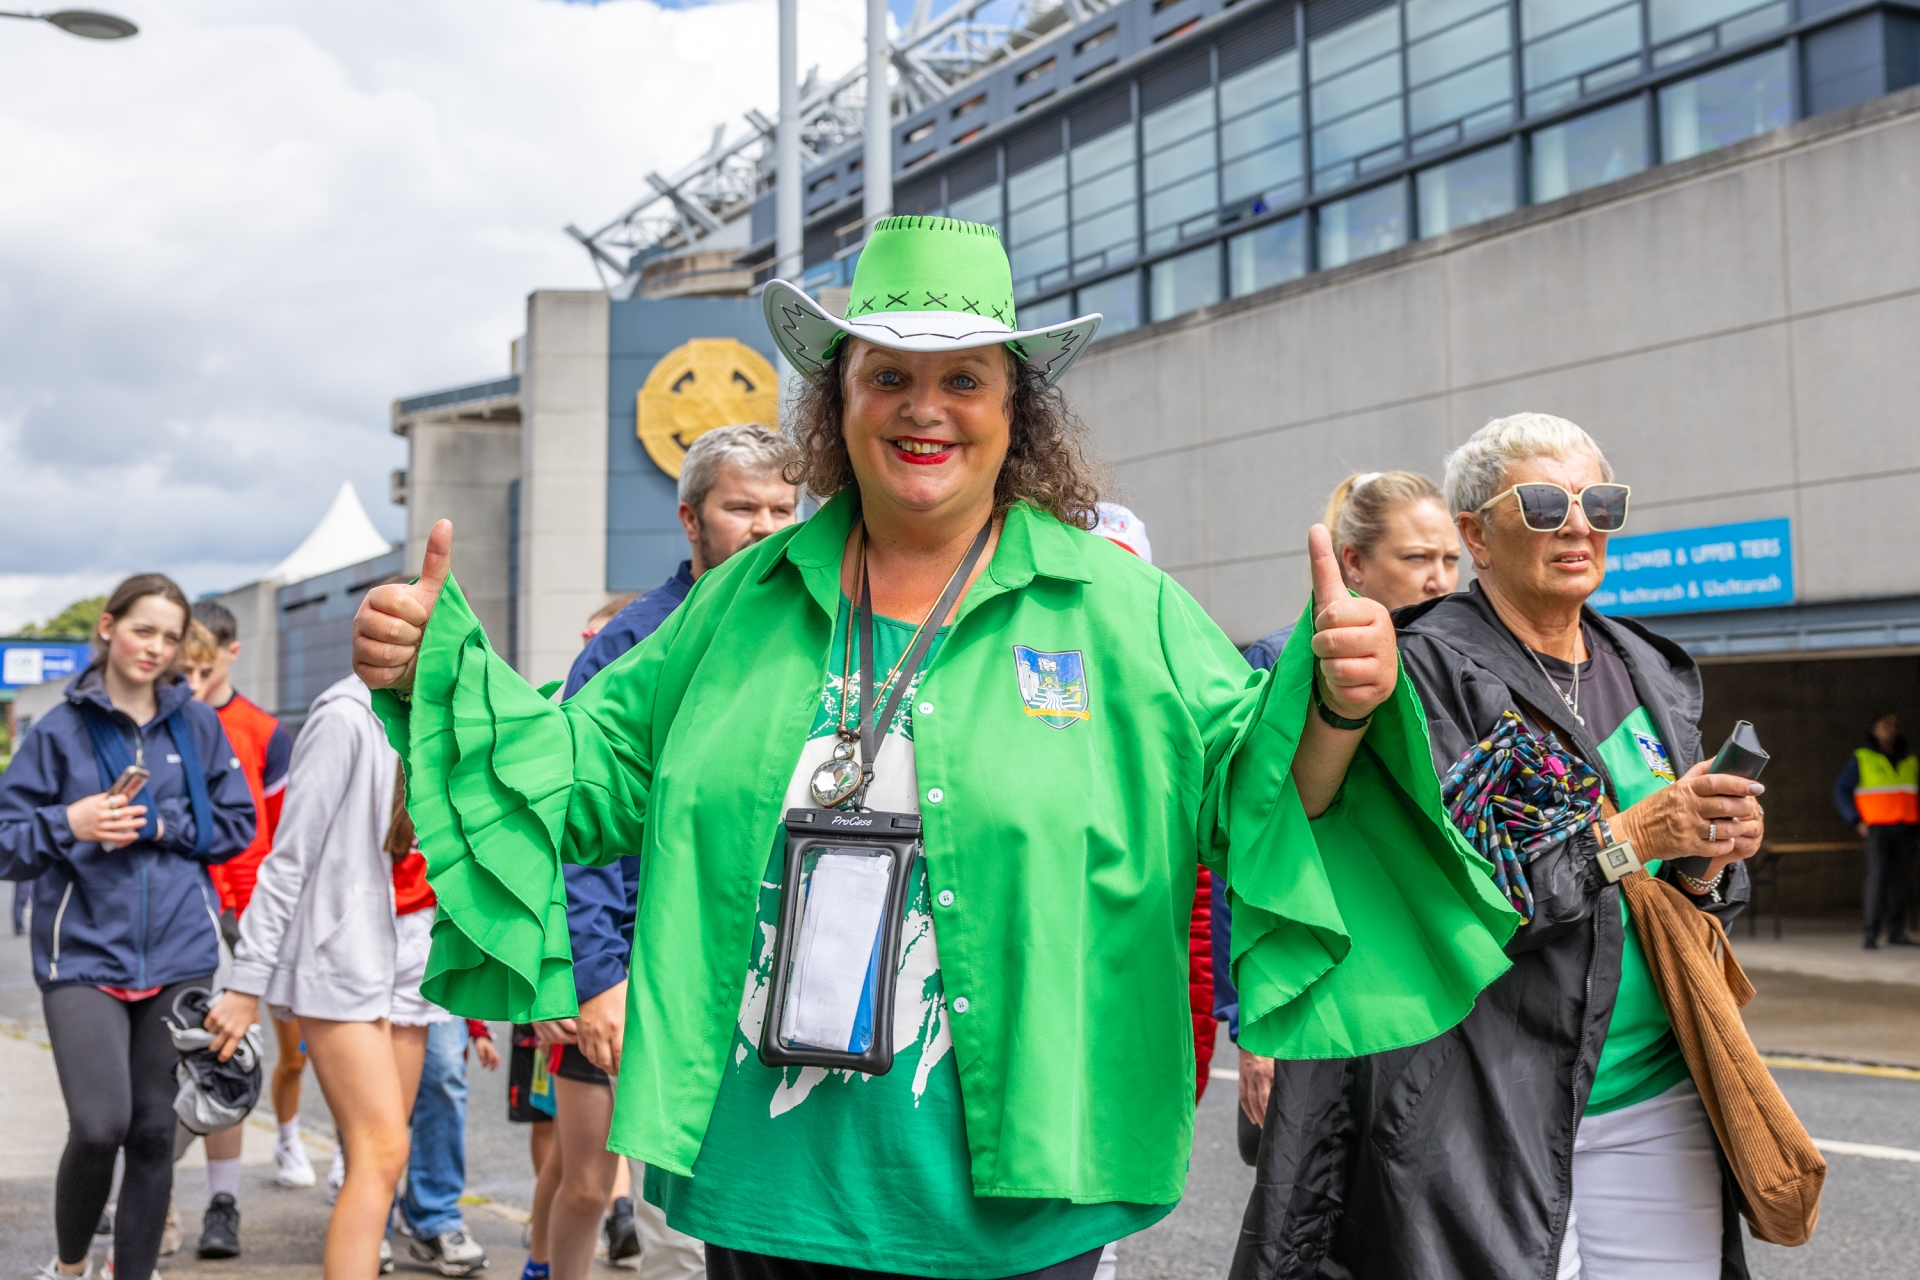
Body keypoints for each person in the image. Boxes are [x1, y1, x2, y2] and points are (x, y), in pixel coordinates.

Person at [351, 216, 1519, 1280]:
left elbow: (1248, 798)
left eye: (964, 377)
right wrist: (443, 673)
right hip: (769, 1184)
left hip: (1023, 1184)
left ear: (1017, 408)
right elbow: (585, 779)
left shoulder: (1120, 607)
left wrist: (1335, 706)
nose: (926, 407)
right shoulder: (737, 603)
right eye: (888, 375)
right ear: (838, 401)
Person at [1233, 413, 1768, 1280]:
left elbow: (1675, 893)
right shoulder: (1428, 673)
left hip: (1653, 1091)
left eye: (1599, 500)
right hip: (1477, 1106)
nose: (1579, 522)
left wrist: (1708, 856)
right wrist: (1637, 831)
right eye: (1547, 501)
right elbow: (1469, 897)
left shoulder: (1643, 666)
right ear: (1476, 533)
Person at [537, 423, 799, 1280]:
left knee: (760, 1213)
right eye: (743, 508)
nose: (765, 527)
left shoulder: (811, 635)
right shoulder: (630, 645)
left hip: (773, 971)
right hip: (654, 970)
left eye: (783, 509)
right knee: (658, 1215)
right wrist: (596, 973)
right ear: (691, 520)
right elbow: (576, 824)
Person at [0, 574, 257, 1280]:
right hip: (81, 954)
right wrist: (71, 822)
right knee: (99, 1125)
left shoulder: (197, 725)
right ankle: (71, 1264)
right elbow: (5, 840)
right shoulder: (58, 731)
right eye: (145, 630)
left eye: (171, 636)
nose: (158, 647)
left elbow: (237, 826)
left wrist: (160, 823)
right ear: (108, 627)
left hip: (179, 954)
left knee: (152, 1133)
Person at [1230, 470, 1463, 1155]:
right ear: (1353, 562)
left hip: (1423, 981)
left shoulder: (1456, 669)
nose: (1440, 580)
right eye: (1417, 558)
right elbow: (1245, 851)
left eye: (1451, 559)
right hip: (1320, 979)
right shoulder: (1281, 661)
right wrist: (1252, 1022)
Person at [201, 674, 449, 1280]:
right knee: (380, 1149)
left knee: (388, 1154)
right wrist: (245, 983)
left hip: (411, 947)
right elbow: (290, 856)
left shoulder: (444, 713)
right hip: (343, 953)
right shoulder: (343, 716)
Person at [172, 603, 300, 1257]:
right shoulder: (158, 727)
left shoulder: (264, 732)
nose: (191, 680)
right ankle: (154, 1201)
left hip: (241, 918)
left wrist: (262, 928)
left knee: (228, 1061)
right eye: (181, 668)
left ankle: (224, 1202)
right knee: (163, 1072)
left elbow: (283, 838)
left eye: (200, 667)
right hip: (178, 912)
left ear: (228, 653)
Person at [399, 1016, 499, 1276]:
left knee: (445, 1075)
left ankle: (436, 1217)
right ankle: (370, 1222)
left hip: (433, 989)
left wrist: (478, 1027)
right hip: (368, 982)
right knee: (371, 1082)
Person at [1832, 713, 1918, 948]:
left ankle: (1897, 932)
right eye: (1883, 726)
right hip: (1877, 827)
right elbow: (1841, 790)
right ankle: (1870, 934)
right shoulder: (1862, 757)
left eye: (1892, 726)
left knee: (1900, 881)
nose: (1889, 731)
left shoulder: (1909, 758)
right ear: (1874, 730)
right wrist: (1855, 820)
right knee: (1877, 878)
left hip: (1906, 826)